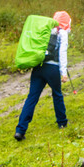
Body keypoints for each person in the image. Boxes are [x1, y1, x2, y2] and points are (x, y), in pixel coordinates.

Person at [15, 11, 71, 141]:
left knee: (32, 98)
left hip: (38, 67)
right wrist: (63, 72)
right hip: (53, 68)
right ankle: (62, 122)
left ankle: (20, 130)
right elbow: (62, 52)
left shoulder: (45, 30)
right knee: (57, 94)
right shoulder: (62, 33)